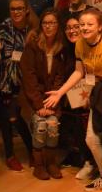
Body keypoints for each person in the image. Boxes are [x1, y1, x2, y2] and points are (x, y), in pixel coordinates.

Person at [43, 8, 102, 192]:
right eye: (82, 24)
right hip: (98, 92)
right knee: (91, 140)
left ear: (100, 27)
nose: (84, 28)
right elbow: (79, 72)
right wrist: (60, 92)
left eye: (89, 24)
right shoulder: (80, 45)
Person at [20, 9, 71, 180]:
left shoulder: (61, 48)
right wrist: (39, 105)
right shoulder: (32, 46)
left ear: (58, 26)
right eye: (45, 23)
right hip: (33, 99)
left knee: (53, 125)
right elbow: (29, 78)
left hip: (53, 99)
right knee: (41, 125)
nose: (48, 26)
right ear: (41, 25)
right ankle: (39, 165)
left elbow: (60, 78)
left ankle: (51, 163)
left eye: (52, 23)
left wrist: (51, 103)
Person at [0, 0, 38, 172]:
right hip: (7, 80)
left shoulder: (33, 29)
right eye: (13, 9)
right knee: (9, 119)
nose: (16, 12)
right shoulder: (4, 27)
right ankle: (10, 155)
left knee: (25, 119)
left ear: (26, 9)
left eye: (20, 8)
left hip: (27, 80)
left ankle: (33, 151)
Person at [59, 16, 94, 179]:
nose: (72, 31)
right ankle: (84, 160)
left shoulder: (89, 47)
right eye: (68, 27)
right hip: (72, 97)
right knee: (77, 129)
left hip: (89, 95)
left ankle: (92, 163)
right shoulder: (66, 50)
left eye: (76, 27)